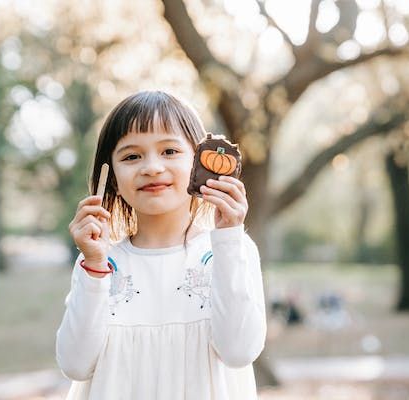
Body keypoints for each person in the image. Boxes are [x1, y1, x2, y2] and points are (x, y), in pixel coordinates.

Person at [55, 90, 266, 399]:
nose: (152, 167)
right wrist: (95, 268)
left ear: (200, 163)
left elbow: (238, 351)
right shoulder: (99, 263)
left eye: (169, 151)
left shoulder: (232, 249)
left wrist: (228, 239)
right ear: (112, 178)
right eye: (131, 156)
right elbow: (75, 365)